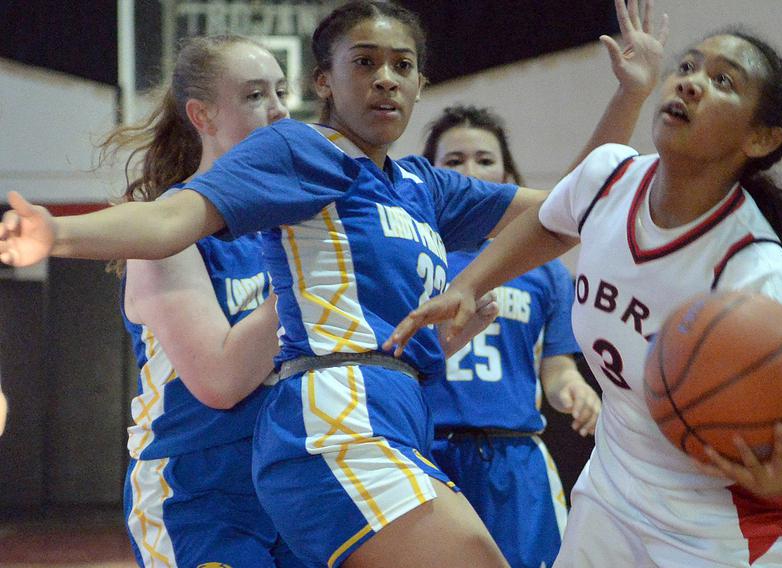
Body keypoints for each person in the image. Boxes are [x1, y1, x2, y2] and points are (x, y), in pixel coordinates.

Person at [0, 1, 661, 565]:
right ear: (328, 81)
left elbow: (568, 212)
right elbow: (174, 225)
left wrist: (631, 94)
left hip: (381, 424)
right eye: (365, 63)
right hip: (283, 445)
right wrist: (58, 234)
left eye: (402, 66)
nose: (385, 80)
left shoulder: (419, 188)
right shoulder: (306, 157)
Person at [387, 13, 782, 568]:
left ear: (761, 138)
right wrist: (468, 284)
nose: (690, 82)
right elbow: (552, 223)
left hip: (724, 516)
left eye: (723, 81)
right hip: (618, 483)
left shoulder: (751, 266)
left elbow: (774, 423)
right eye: (688, 66)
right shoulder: (608, 176)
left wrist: (779, 475)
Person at [97, 35, 303, 567]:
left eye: (281, 92)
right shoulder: (164, 231)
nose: (279, 110)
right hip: (200, 489)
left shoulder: (299, 226)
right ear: (202, 115)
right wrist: (309, 281)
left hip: (296, 478)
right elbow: (220, 380)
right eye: (256, 95)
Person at [422, 104, 601, 568]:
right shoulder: (412, 257)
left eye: (484, 159)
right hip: (426, 452)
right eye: (454, 161)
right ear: (432, 176)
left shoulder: (543, 270)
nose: (471, 170)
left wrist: (575, 391)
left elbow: (557, 370)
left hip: (514, 458)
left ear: (507, 173)